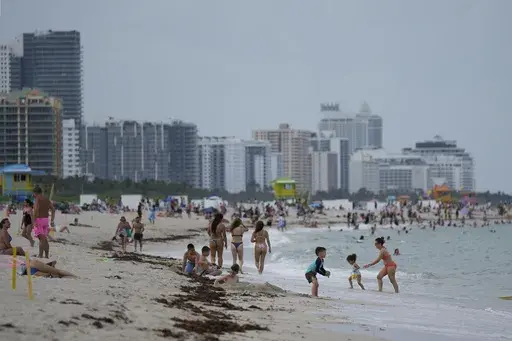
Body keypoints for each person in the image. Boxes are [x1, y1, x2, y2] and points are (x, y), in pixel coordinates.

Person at [32, 186, 55, 258]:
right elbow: (53, 209)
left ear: (35, 193)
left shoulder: (37, 199)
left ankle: (40, 255)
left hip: (39, 220)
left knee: (41, 239)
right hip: (46, 220)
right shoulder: (47, 200)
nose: (33, 195)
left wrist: (34, 221)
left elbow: (36, 210)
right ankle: (46, 255)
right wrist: (52, 220)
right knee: (44, 238)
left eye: (34, 193)